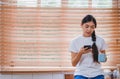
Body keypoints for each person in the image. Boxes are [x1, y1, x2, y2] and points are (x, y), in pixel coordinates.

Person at [69, 15, 107, 79]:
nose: (89, 29)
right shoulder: (75, 41)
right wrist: (80, 53)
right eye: (87, 26)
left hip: (97, 73)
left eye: (92, 27)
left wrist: (97, 53)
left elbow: (103, 60)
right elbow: (73, 64)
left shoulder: (100, 40)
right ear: (81, 25)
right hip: (81, 73)